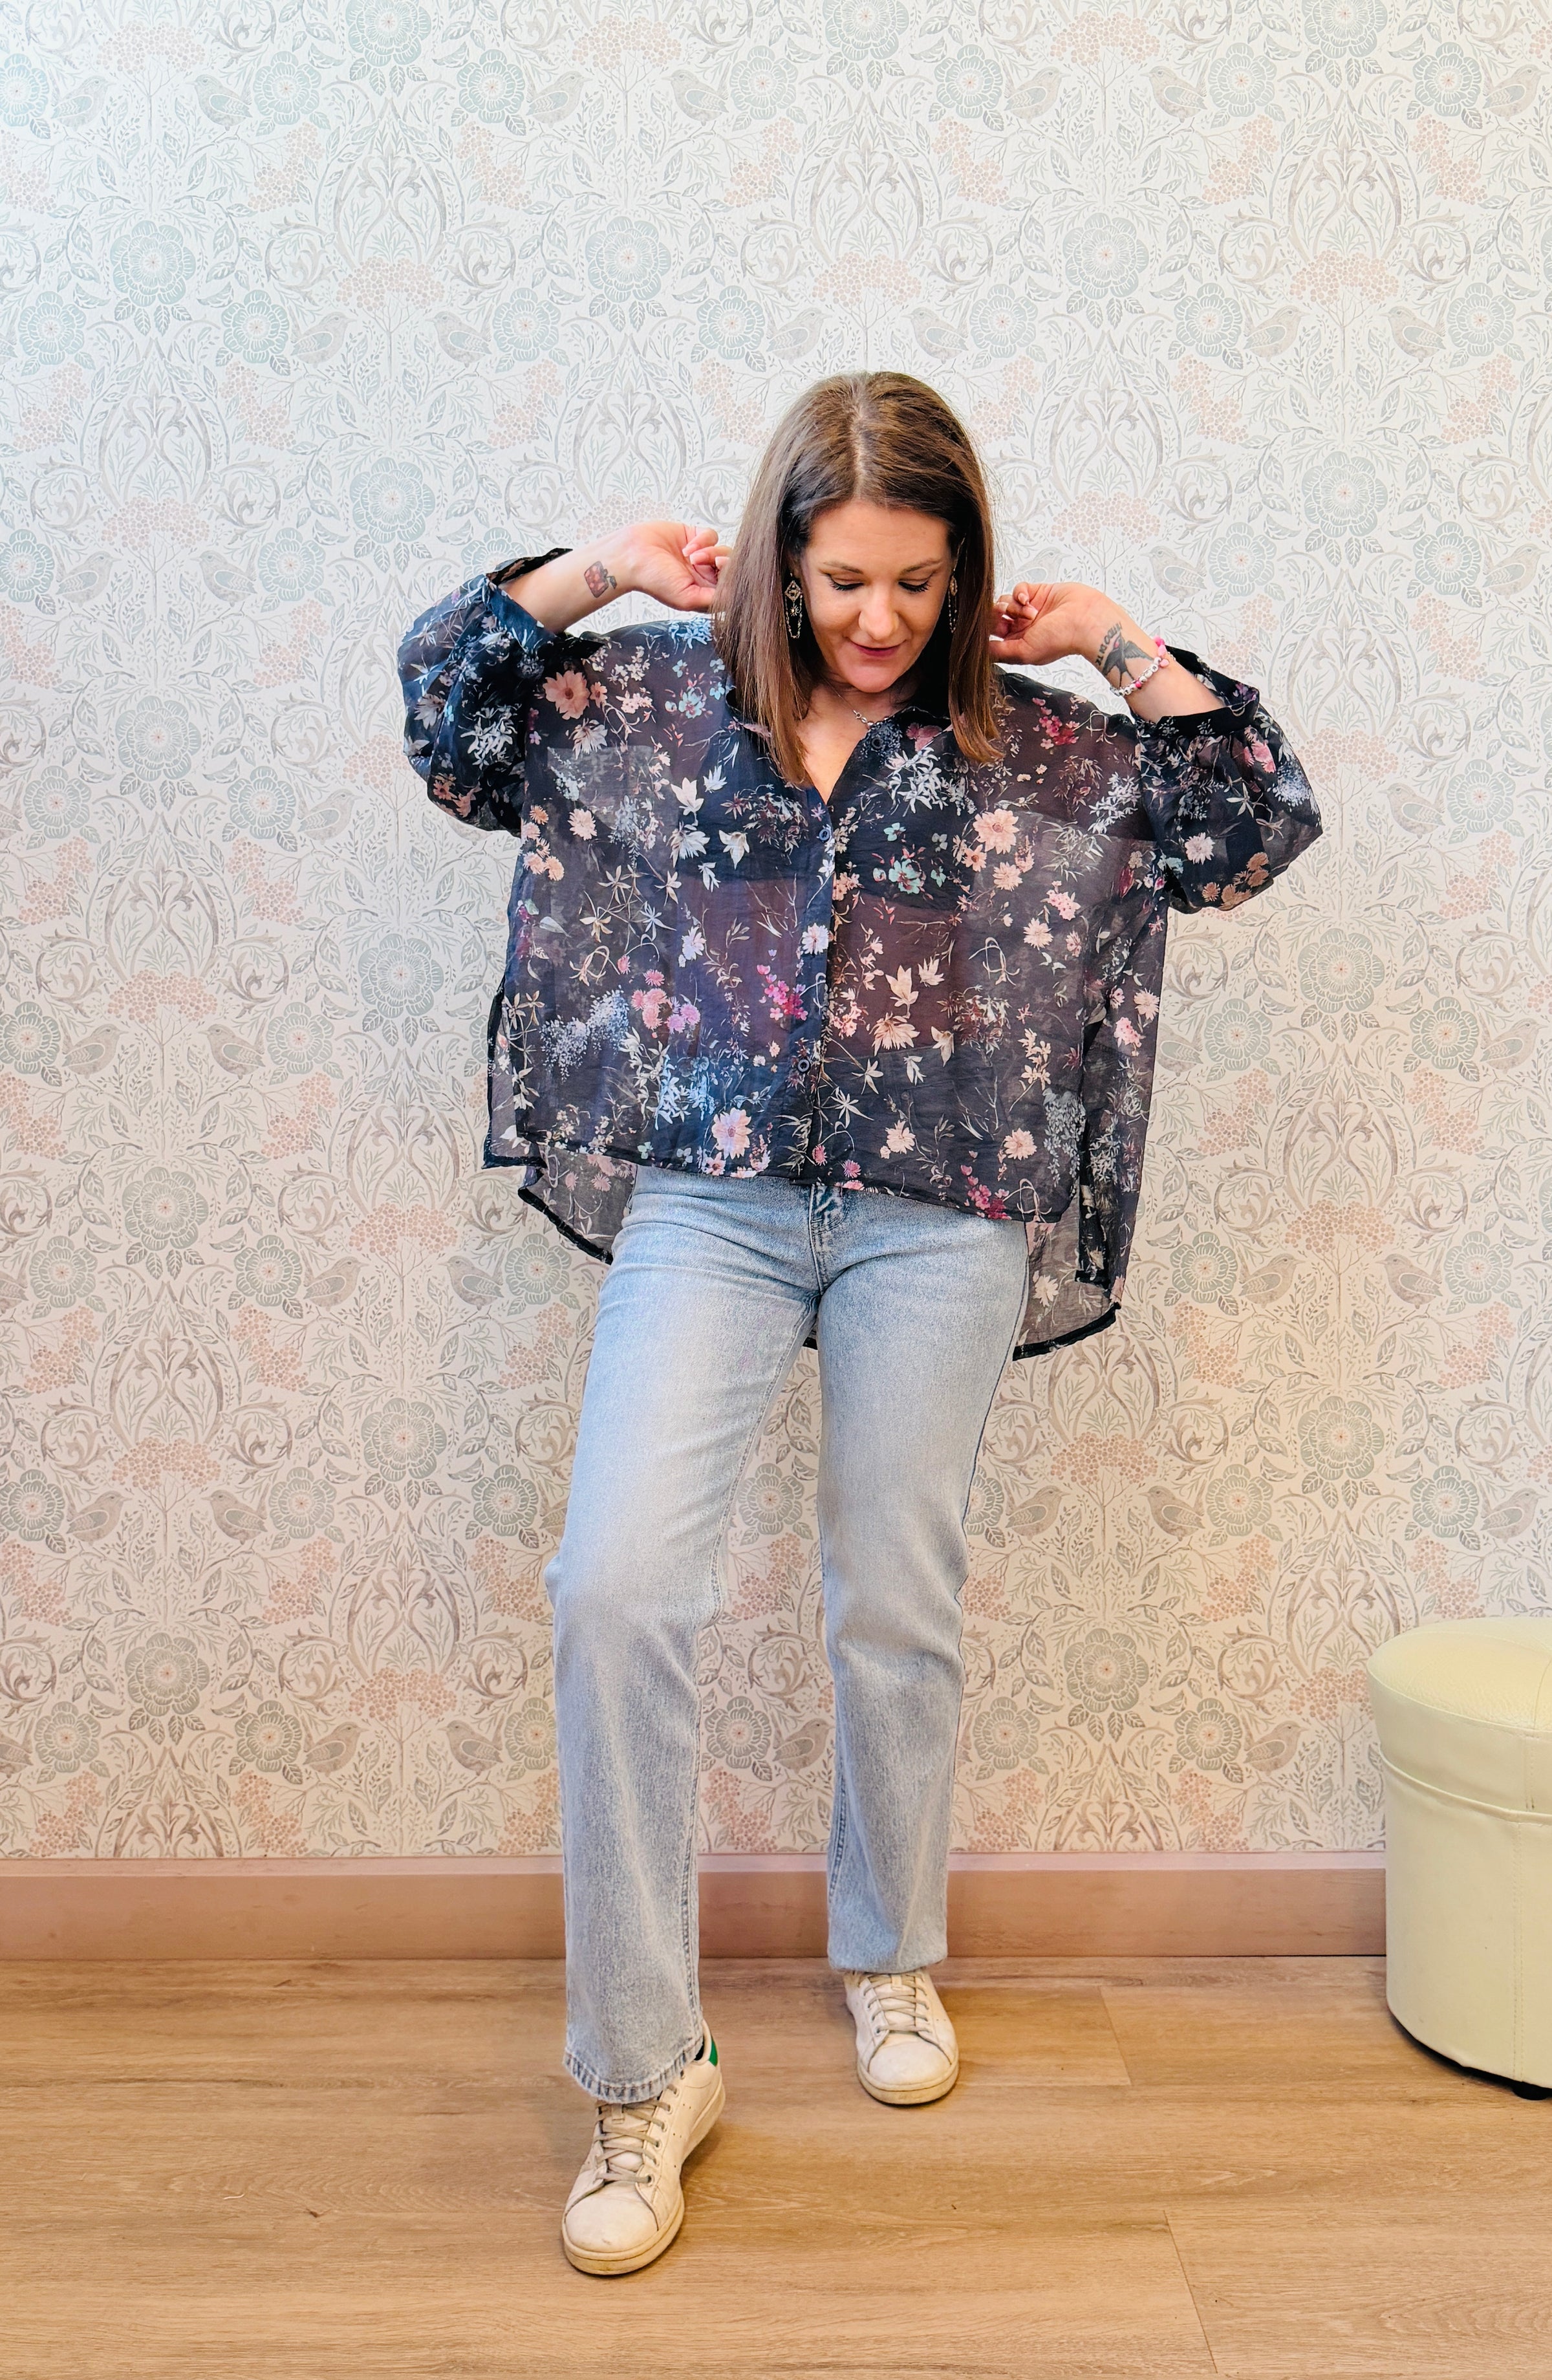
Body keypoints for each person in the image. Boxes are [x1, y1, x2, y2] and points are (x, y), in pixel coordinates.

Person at [398, 371, 1321, 2276]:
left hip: (941, 1210)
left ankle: (890, 1954)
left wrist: (1120, 642)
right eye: (842, 582)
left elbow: (1248, 823)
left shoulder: (1032, 748)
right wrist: (599, 572)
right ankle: (644, 2071)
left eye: (918, 580)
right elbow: (450, 712)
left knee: (894, 1595)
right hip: (712, 1199)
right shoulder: (662, 708)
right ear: (779, 564)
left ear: (964, 569)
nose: (881, 619)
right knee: (614, 1590)